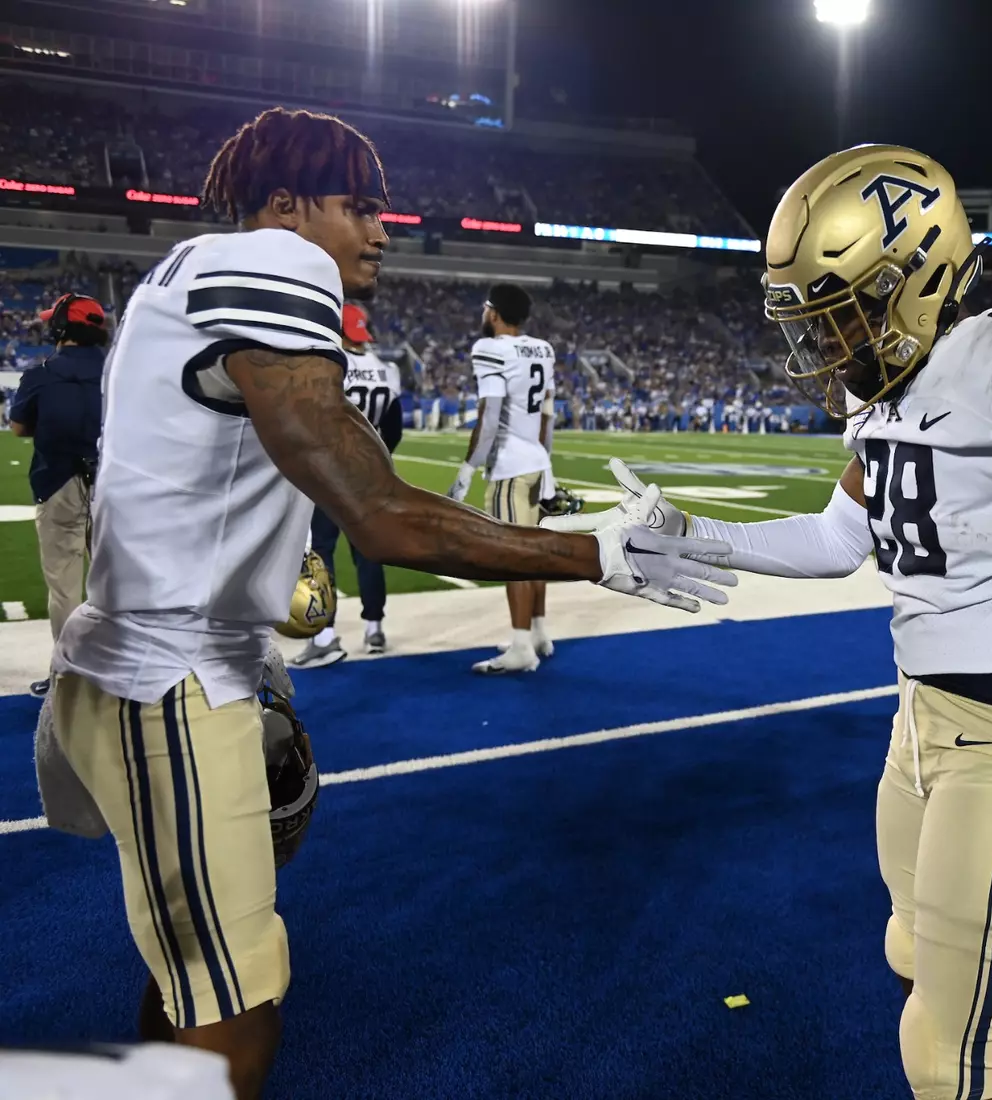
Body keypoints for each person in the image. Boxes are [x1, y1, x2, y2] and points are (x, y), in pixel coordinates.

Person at [47, 106, 734, 1100]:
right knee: (236, 1013)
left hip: (155, 658)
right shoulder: (277, 264)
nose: (382, 228)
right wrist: (599, 550)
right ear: (284, 206)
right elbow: (379, 514)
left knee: (198, 978)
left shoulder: (179, 273)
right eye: (357, 205)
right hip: (165, 680)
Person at [555, 144, 992, 1100]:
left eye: (839, 310)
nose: (826, 341)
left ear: (919, 273)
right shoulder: (877, 391)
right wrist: (698, 533)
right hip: (919, 721)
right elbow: (839, 537)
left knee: (951, 1057)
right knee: (912, 951)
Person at [445, 284, 559, 674]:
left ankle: (522, 646)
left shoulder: (489, 349)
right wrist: (547, 464)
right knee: (537, 556)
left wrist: (467, 469)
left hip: (511, 466)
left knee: (515, 560)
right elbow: (547, 415)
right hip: (538, 463)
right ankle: (539, 633)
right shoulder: (544, 348)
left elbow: (490, 417)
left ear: (493, 313)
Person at [292, 302, 402, 666]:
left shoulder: (329, 364)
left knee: (321, 552)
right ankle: (374, 629)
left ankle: (324, 635)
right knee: (368, 553)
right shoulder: (387, 370)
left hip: (329, 473)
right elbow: (395, 430)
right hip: (366, 475)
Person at [8, 293, 107, 696]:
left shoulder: (42, 372)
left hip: (59, 483)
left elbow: (17, 427)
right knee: (115, 585)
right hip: (115, 487)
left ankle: (68, 680)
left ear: (61, 328)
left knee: (64, 588)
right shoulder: (120, 370)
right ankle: (116, 670)